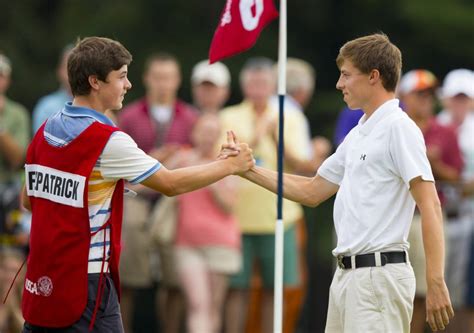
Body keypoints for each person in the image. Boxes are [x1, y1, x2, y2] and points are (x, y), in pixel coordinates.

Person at [18, 36, 254, 333]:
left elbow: (28, 200)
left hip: (42, 279)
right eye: (122, 77)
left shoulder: (46, 128)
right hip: (86, 284)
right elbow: (170, 183)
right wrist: (229, 166)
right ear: (95, 82)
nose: (128, 85)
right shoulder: (108, 140)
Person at [222, 33, 454, 332]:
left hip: (379, 278)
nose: (339, 84)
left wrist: (435, 282)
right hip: (347, 277)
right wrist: (247, 169)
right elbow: (312, 190)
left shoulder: (400, 129)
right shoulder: (359, 133)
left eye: (346, 75)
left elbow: (430, 204)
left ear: (373, 76)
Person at [220, 57, 307, 333]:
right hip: (237, 218)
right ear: (245, 86)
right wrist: (258, 135)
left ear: (273, 85)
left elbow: (301, 164)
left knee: (276, 289)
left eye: (264, 82)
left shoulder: (290, 116)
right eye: (253, 82)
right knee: (236, 289)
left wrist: (275, 137)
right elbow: (225, 159)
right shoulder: (229, 116)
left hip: (279, 217)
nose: (258, 88)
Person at [117, 52, 198, 333]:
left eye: (169, 77)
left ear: (177, 81)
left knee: (174, 279)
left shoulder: (190, 118)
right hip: (135, 195)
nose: (163, 83)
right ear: (147, 79)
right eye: (158, 77)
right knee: (127, 274)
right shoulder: (127, 117)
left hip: (173, 199)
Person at [398, 69, 464, 333]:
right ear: (404, 96)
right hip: (399, 218)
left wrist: (432, 163)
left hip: (428, 215)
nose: (425, 100)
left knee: (425, 291)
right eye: (419, 94)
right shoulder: (397, 126)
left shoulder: (445, 131)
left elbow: (456, 177)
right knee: (402, 289)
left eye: (428, 95)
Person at [165, 114, 241, 333]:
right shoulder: (182, 159)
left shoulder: (228, 164)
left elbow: (230, 205)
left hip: (221, 243)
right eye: (204, 131)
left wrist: (211, 176)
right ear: (194, 132)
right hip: (187, 243)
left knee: (213, 307)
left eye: (212, 132)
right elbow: (155, 180)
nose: (208, 137)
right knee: (198, 304)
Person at [436, 68, 474, 332]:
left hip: (467, 220)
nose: (459, 104)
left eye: (465, 98)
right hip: (435, 217)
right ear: (445, 99)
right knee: (431, 291)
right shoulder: (434, 125)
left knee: (460, 294)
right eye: (455, 98)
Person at [32, 45, 73, 133]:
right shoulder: (47, 106)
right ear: (59, 71)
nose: (75, 73)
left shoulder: (100, 107)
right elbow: (42, 143)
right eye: (69, 67)